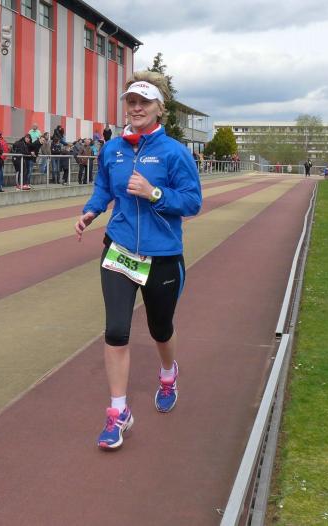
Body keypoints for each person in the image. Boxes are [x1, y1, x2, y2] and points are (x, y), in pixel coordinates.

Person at [74, 71, 202, 450]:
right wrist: (91, 211)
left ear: (159, 109)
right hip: (119, 250)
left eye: (144, 102)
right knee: (116, 330)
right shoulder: (112, 149)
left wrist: (154, 192)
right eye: (131, 101)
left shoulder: (175, 153)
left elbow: (192, 202)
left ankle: (168, 373)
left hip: (162, 256)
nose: (136, 107)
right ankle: (118, 413)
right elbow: (103, 187)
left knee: (160, 329)